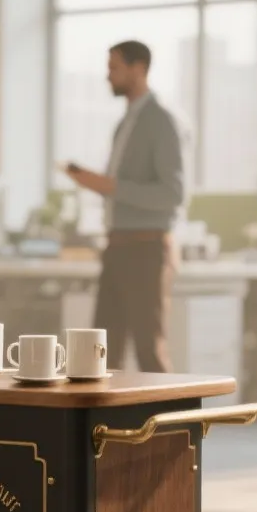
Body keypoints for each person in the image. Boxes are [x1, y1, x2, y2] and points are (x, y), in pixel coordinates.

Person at [62, 39, 186, 373]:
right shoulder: (125, 123)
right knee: (103, 350)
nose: (108, 76)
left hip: (146, 249)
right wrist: (97, 184)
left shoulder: (159, 121)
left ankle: (169, 425)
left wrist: (111, 186)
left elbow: (172, 194)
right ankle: (104, 423)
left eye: (114, 68)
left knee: (149, 349)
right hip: (117, 246)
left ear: (139, 68)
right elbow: (124, 188)